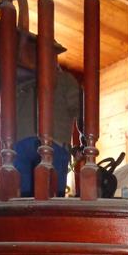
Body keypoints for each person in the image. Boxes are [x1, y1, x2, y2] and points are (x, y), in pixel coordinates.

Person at [14, 67, 80, 197]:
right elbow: (78, 109)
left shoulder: (19, 79)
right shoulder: (65, 79)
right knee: (52, 196)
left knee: (23, 197)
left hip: (20, 143)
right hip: (52, 141)